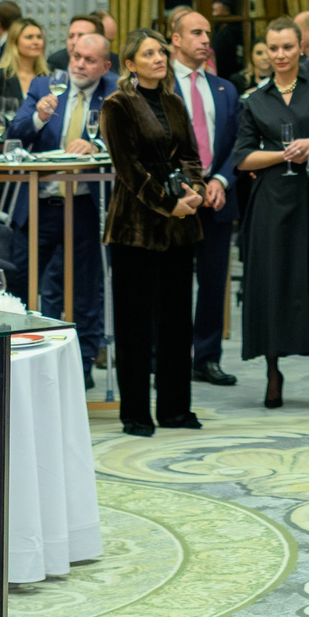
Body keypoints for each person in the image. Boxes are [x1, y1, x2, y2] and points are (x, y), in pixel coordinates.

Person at [97, 29, 206, 435]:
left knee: (178, 321)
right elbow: (128, 169)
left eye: (161, 51)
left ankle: (177, 408)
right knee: (135, 324)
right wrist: (168, 202)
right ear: (130, 64)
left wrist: (194, 190)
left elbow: (192, 154)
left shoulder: (175, 102)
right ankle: (137, 413)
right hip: (136, 226)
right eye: (149, 53)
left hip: (181, 225)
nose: (159, 58)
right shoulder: (117, 104)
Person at [6, 28, 114, 376]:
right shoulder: (44, 85)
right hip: (39, 206)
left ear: (105, 66)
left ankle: (81, 372)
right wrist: (39, 116)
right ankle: (23, 366)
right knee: (22, 287)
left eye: (90, 60)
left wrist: (97, 147)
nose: (80, 65)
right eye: (76, 58)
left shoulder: (115, 93)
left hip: (85, 207)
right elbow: (14, 132)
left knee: (85, 293)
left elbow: (128, 141)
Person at [236, 20, 309, 408]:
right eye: (273, 48)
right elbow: (241, 157)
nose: (281, 55)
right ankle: (273, 373)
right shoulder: (253, 99)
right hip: (270, 201)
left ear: (300, 47)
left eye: (287, 47)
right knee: (270, 285)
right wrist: (283, 154)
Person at [166, 6, 242, 387]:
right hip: (177, 200)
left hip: (216, 200)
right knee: (173, 283)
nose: (206, 40)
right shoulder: (160, 87)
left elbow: (237, 145)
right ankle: (168, 357)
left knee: (214, 284)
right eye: (196, 32)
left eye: (208, 33)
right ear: (176, 39)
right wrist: (188, 184)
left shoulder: (224, 89)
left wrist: (221, 181)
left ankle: (207, 358)